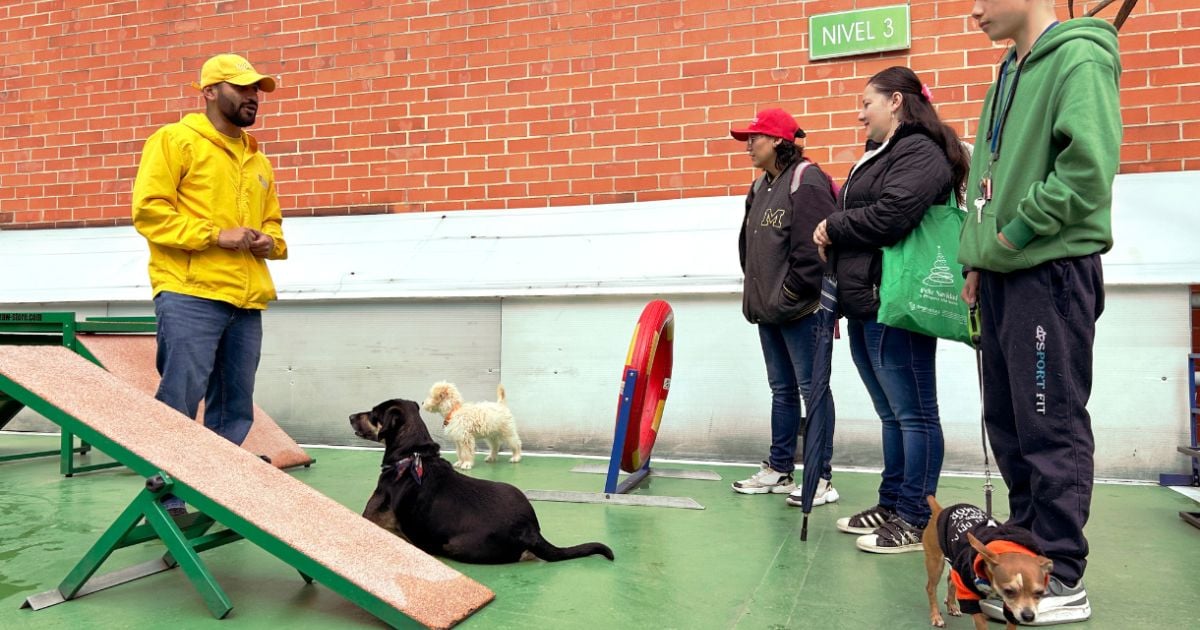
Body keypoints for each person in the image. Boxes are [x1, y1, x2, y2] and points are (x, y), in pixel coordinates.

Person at [960, 1, 1122, 623]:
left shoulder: (1079, 57)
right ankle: (1026, 538)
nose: (973, 10)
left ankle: (1062, 571)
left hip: (1046, 269)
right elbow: (988, 178)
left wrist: (1013, 236)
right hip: (1004, 274)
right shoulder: (1007, 72)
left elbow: (1086, 171)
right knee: (1008, 418)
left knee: (1049, 418)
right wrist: (979, 256)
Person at [812, 67, 969, 553]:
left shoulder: (920, 150)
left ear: (896, 101)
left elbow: (893, 216)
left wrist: (834, 226)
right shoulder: (883, 153)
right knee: (891, 413)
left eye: (867, 103)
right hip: (867, 302)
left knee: (915, 413)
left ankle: (917, 516)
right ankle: (893, 502)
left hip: (896, 301)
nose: (860, 114)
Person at [131, 54, 287, 515]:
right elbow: (150, 212)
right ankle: (170, 495)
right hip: (190, 292)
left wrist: (267, 242)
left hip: (246, 296)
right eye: (242, 88)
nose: (253, 97)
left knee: (236, 406)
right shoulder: (175, 141)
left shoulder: (257, 159)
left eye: (257, 90)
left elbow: (275, 225)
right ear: (209, 92)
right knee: (180, 396)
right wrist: (216, 235)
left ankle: (218, 490)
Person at [728, 108, 840, 509]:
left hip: (800, 312)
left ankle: (820, 477)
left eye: (755, 137)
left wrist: (788, 296)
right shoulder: (760, 186)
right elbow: (748, 249)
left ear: (778, 140)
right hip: (768, 311)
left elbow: (814, 252)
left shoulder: (805, 180)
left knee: (814, 390)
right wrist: (763, 297)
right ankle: (779, 468)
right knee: (782, 390)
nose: (748, 145)